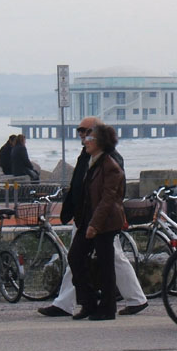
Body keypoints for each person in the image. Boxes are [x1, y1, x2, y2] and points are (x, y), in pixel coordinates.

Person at [38, 117, 148, 318]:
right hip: (86, 217)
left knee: (109, 259)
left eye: (86, 131)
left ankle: (126, 300)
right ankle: (74, 302)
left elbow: (110, 195)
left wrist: (95, 222)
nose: (82, 135)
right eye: (80, 131)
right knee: (82, 258)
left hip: (100, 220)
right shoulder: (87, 156)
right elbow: (80, 184)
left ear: (98, 136)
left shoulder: (111, 160)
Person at [66, 124, 126, 321]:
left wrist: (95, 225)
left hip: (104, 223)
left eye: (89, 139)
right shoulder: (91, 161)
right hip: (88, 219)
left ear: (100, 142)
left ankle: (108, 308)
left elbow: (108, 199)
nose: (85, 141)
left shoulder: (110, 165)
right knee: (75, 257)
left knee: (106, 264)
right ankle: (88, 302)